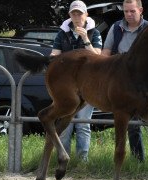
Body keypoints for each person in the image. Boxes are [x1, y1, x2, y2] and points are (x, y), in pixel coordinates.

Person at [51, 0, 102, 161]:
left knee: (83, 123)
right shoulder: (62, 33)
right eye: (74, 13)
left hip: (88, 85)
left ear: (86, 14)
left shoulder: (95, 33)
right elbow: (55, 54)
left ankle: (82, 162)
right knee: (65, 124)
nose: (77, 16)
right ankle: (63, 158)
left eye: (80, 13)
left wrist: (86, 39)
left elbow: (98, 58)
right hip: (67, 86)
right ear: (70, 15)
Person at [101, 0, 148, 162]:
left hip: (141, 82)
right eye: (126, 11)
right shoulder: (116, 28)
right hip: (119, 81)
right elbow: (106, 52)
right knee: (126, 122)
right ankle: (136, 161)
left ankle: (138, 160)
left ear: (140, 10)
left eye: (132, 11)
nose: (128, 14)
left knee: (133, 124)